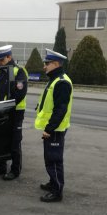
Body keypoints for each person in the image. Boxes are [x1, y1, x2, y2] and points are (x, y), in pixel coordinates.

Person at [35, 48, 73, 202]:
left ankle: (57, 192)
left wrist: (49, 129)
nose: (45, 66)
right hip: (52, 128)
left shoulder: (62, 82)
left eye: (47, 63)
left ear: (56, 63)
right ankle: (53, 183)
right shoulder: (55, 79)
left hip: (55, 129)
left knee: (54, 160)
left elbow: (60, 109)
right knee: (49, 158)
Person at [0, 45, 28, 180]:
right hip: (0, 111)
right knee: (0, 139)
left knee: (15, 141)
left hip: (15, 112)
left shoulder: (19, 71)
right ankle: (1, 167)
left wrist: (7, 106)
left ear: (9, 57)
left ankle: (15, 170)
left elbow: (20, 93)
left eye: (1, 60)